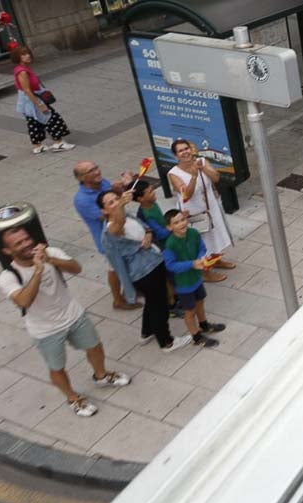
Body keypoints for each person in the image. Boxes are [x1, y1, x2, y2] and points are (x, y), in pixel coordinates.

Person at [0, 227, 132, 418]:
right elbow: (23, 301)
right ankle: (72, 398)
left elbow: (76, 268)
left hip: (73, 314)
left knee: (95, 346)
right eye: (18, 243)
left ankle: (101, 376)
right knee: (57, 367)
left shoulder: (50, 253)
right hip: (45, 330)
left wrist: (49, 260)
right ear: (8, 251)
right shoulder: (8, 277)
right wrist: (37, 271)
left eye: (27, 238)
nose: (27, 243)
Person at [98, 189, 191, 353]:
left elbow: (144, 226)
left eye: (116, 199)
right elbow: (118, 225)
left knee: (152, 301)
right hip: (143, 271)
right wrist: (121, 205)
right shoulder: (110, 230)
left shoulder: (126, 214)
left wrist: (148, 234)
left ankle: (147, 332)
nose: (117, 203)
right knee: (160, 305)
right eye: (111, 202)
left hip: (153, 261)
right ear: (104, 210)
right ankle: (166, 342)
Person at [72, 161, 142, 311]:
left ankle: (133, 289)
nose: (97, 172)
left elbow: (112, 198)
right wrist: (121, 200)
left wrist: (119, 188)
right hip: (109, 240)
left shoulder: (102, 182)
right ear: (81, 178)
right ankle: (118, 300)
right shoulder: (82, 200)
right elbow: (108, 216)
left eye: (96, 167)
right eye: (91, 171)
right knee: (115, 269)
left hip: (123, 232)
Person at [167, 138, 238, 282]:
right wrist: (193, 176)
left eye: (186, 148)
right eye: (180, 151)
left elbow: (216, 178)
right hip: (193, 211)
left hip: (210, 205)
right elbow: (187, 193)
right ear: (176, 156)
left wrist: (202, 167)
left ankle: (216, 259)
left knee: (214, 234)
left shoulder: (203, 162)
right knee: (201, 241)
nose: (185, 152)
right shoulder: (173, 174)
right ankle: (205, 272)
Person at [162, 209, 227, 348]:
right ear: (169, 227)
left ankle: (204, 325)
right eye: (176, 222)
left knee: (200, 302)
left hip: (197, 278)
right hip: (184, 284)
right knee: (189, 311)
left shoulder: (193, 233)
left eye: (182, 220)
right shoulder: (170, 244)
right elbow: (170, 265)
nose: (181, 224)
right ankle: (196, 337)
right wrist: (192, 264)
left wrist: (201, 257)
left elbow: (202, 248)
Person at [12, 44, 74, 155]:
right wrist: (40, 104)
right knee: (52, 118)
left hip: (29, 100)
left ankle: (38, 146)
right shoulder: (22, 72)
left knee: (34, 122)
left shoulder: (24, 68)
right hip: (32, 100)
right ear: (18, 57)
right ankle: (58, 143)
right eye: (24, 54)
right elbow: (26, 90)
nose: (28, 56)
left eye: (28, 53)